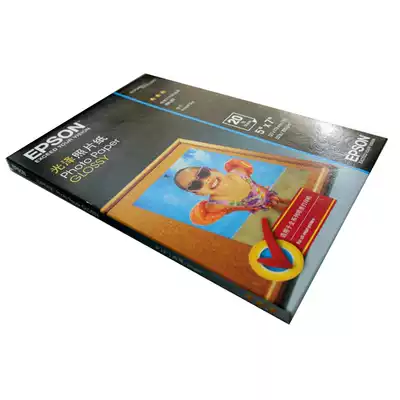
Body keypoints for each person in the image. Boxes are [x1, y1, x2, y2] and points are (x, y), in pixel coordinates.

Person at [174, 159, 292, 225]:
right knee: (280, 208)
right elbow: (221, 211)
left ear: (213, 170)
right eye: (195, 185)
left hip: (265, 193)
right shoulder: (216, 204)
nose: (205, 180)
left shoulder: (239, 171)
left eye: (202, 173)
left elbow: (253, 181)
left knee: (280, 200)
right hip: (261, 203)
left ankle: (289, 203)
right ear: (199, 193)